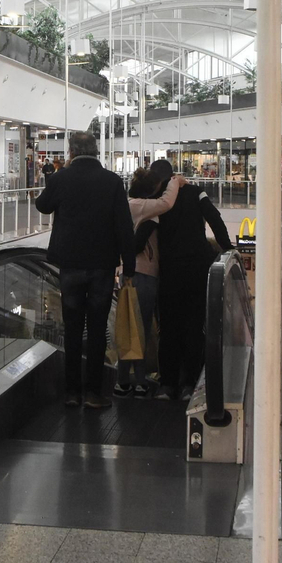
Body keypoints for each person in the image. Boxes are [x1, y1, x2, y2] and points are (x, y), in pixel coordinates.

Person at [33, 130, 135, 408]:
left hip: (70, 264)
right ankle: (93, 393)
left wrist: (56, 176)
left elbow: (43, 205)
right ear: (97, 150)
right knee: (98, 326)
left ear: (71, 152)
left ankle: (71, 393)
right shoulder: (112, 181)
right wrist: (130, 265)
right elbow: (124, 225)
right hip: (102, 265)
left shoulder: (62, 178)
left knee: (73, 328)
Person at [148, 158, 232, 400]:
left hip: (170, 270)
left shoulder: (156, 200)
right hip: (198, 266)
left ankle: (167, 384)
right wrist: (227, 249)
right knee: (195, 326)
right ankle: (189, 385)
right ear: (173, 174)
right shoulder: (196, 192)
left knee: (169, 327)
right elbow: (214, 218)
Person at [119, 168, 184, 397]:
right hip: (143, 273)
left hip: (128, 272)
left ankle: (123, 380)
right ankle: (138, 380)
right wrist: (175, 181)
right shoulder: (142, 207)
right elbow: (166, 203)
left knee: (128, 325)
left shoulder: (127, 205)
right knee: (141, 327)